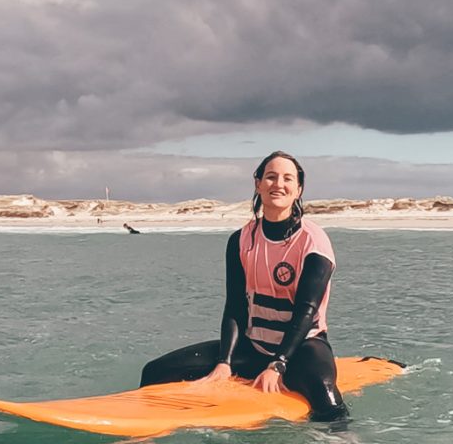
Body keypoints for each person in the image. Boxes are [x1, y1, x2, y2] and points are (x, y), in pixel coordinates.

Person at [139, 152, 347, 421]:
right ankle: (146, 434)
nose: (278, 184)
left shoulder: (313, 242)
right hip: (252, 348)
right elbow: (235, 306)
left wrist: (278, 364)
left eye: (287, 179)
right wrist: (224, 362)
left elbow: (306, 312)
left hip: (302, 350)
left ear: (299, 189)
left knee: (325, 397)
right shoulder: (241, 239)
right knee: (155, 371)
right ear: (258, 184)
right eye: (270, 177)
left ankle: (342, 440)